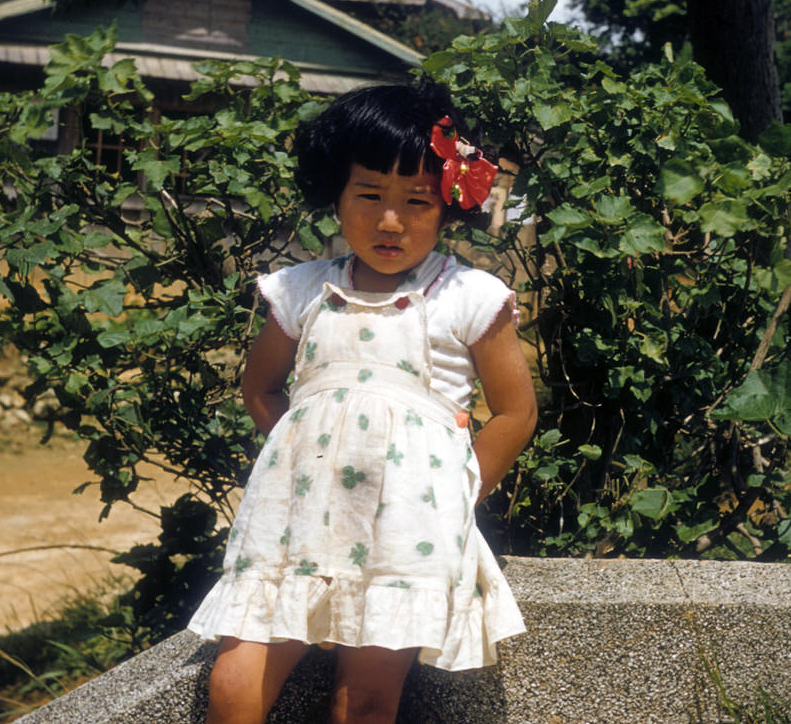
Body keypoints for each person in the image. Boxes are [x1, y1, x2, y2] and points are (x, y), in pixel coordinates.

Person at [188, 82, 538, 724]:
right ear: (336, 196)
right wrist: (295, 456)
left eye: (417, 201)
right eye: (369, 195)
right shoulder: (299, 290)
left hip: (409, 527)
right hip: (293, 519)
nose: (389, 221)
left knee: (367, 699)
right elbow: (260, 387)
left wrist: (460, 490)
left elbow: (515, 413)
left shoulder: (468, 298)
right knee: (235, 676)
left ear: (448, 207)